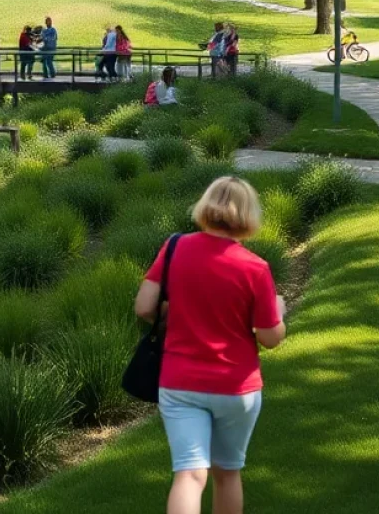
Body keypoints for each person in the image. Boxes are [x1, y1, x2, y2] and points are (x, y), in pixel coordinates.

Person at [134, 177, 285, 514]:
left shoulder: (175, 247)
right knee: (228, 474)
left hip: (180, 381)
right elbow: (270, 338)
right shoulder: (256, 268)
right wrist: (280, 311)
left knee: (189, 474)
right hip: (236, 386)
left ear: (206, 206)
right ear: (247, 215)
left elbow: (144, 307)